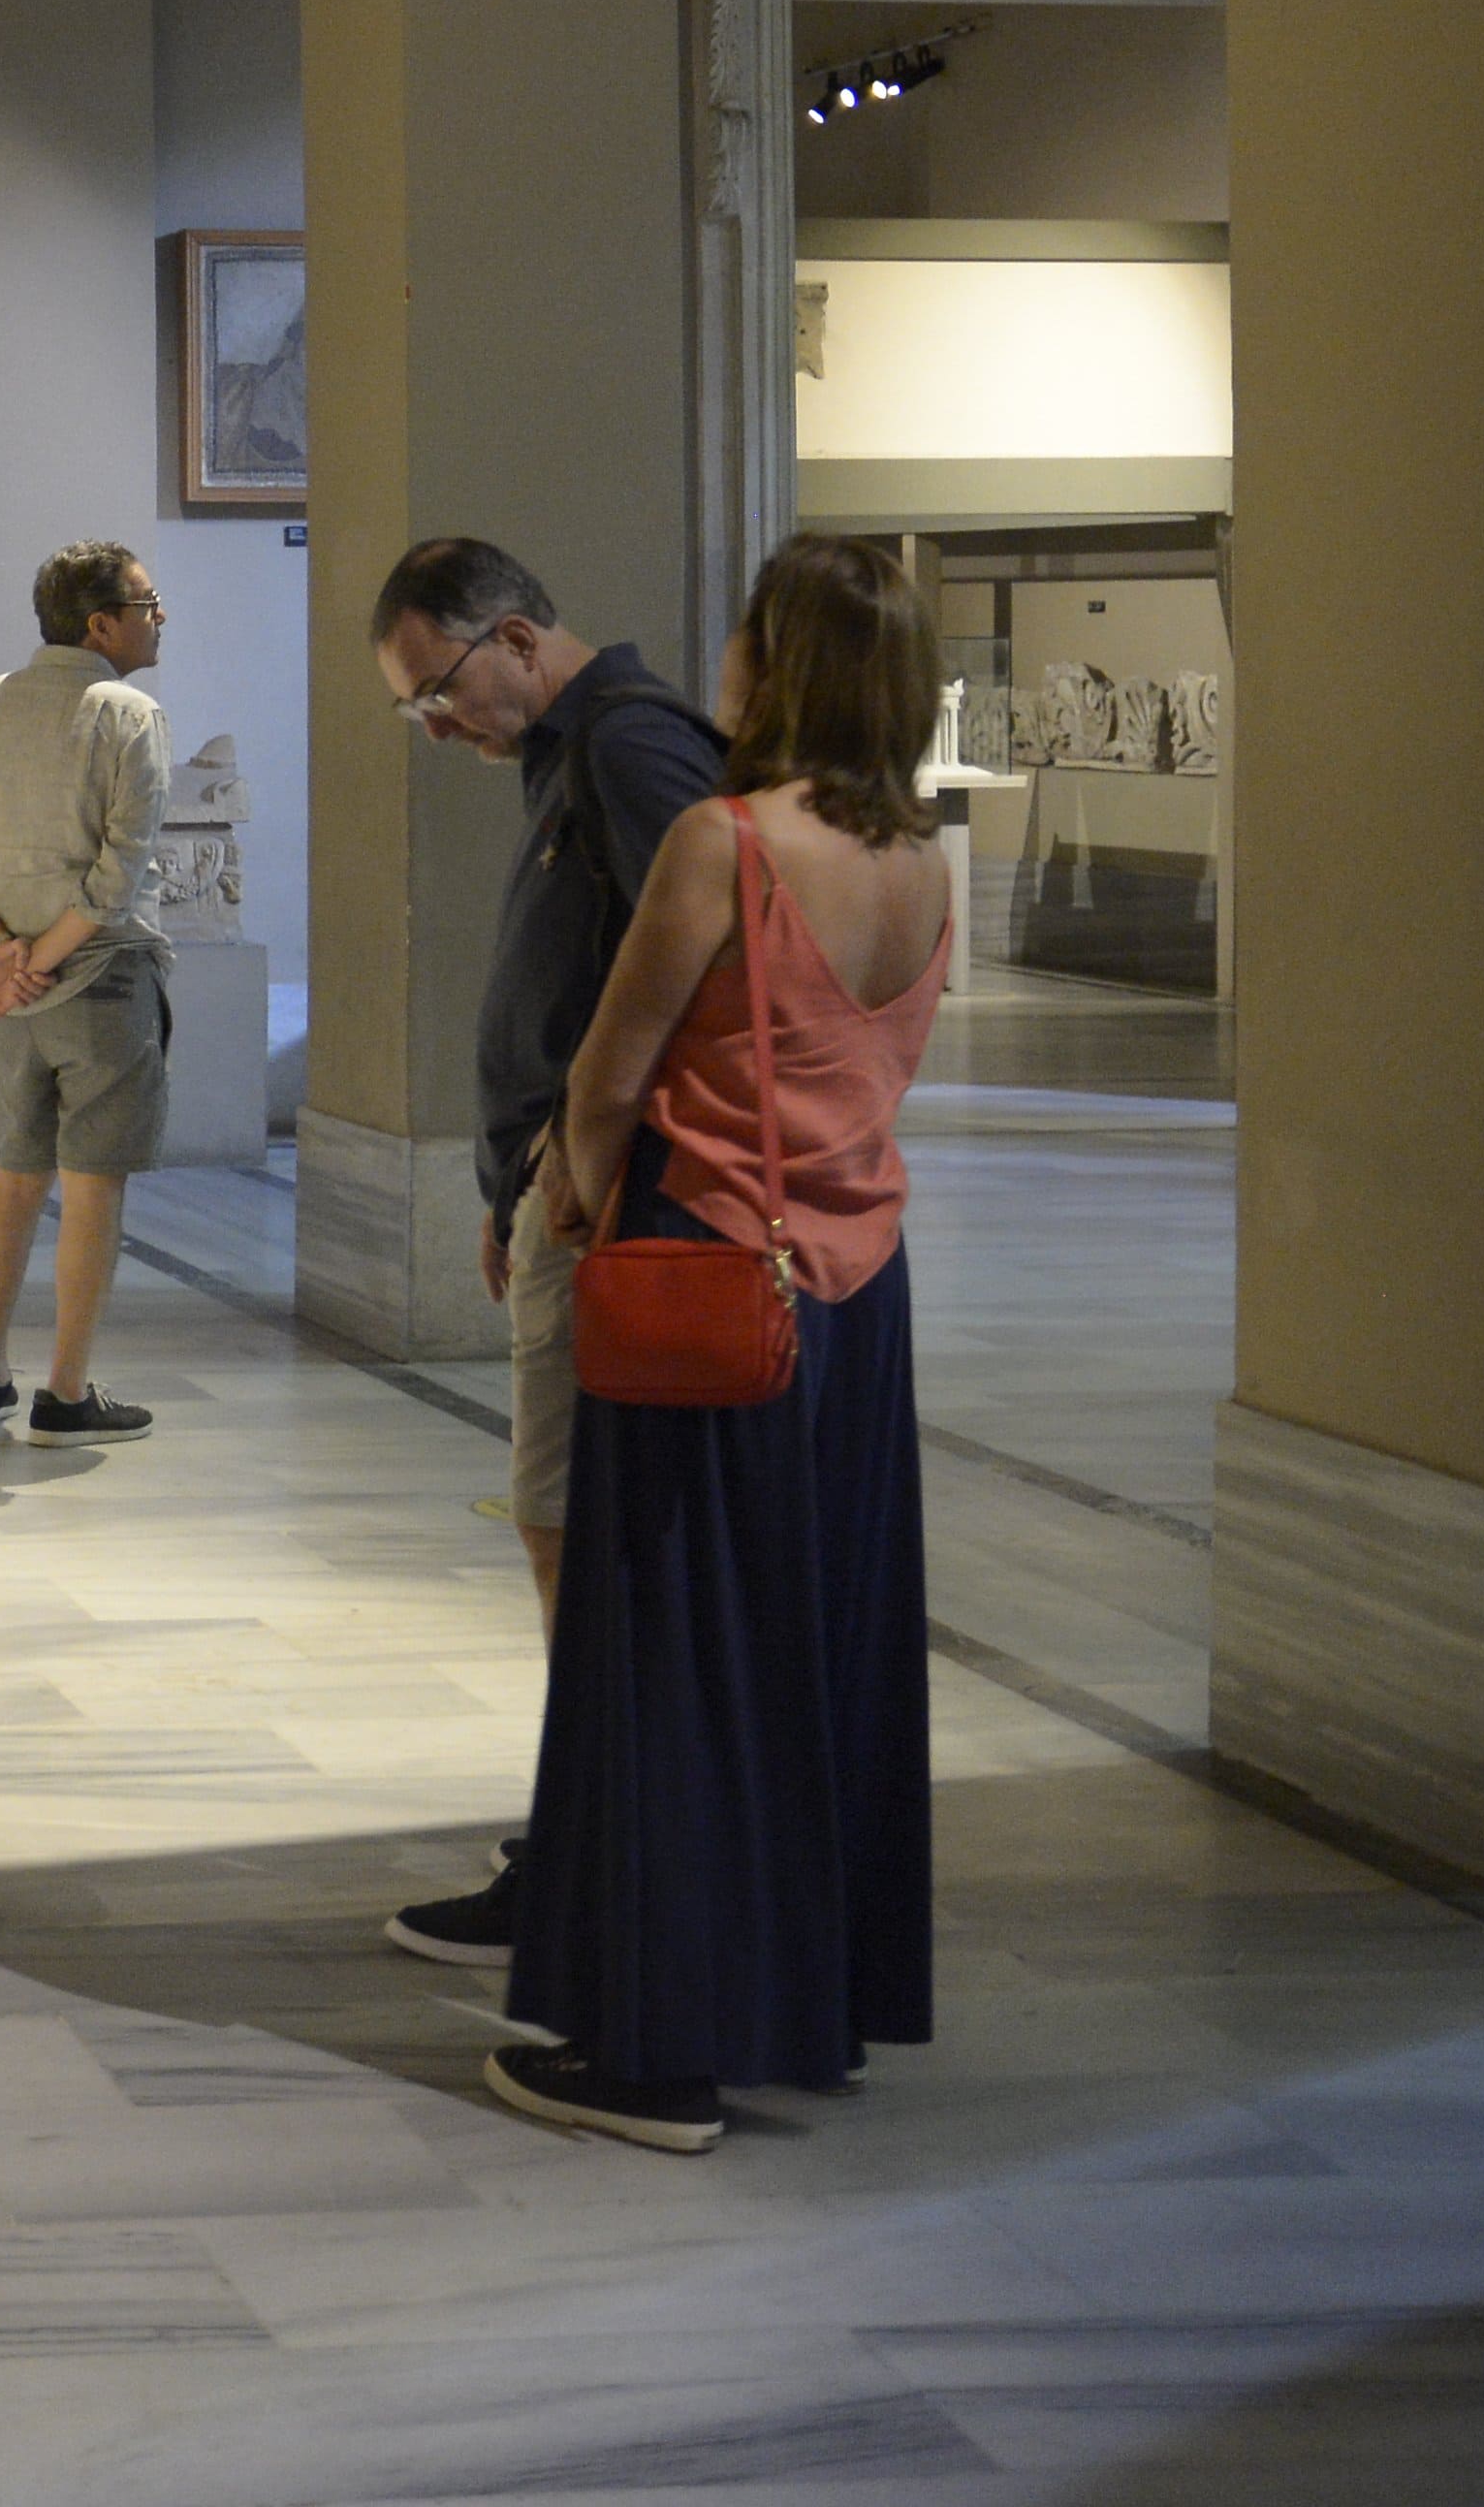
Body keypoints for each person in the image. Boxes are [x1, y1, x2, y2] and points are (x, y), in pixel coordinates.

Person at [489, 533, 952, 2153]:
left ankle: (657, 2051)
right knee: (819, 1650)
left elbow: (610, 1074)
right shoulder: (922, 863)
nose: (728, 659)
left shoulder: (725, 840)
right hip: (857, 1294)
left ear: (784, 661)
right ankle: (808, 2001)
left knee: (673, 1655)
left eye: (750, 633)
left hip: (710, 1270)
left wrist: (567, 1199)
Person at [366, 537, 727, 1974]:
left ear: (515, 637)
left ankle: (598, 1844)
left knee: (569, 1522)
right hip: (558, 1185)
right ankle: (591, 1819)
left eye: (435, 690)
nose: (433, 725)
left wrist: (581, 1152)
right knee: (554, 1521)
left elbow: (703, 977)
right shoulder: (568, 754)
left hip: (607, 1203)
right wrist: (518, 1164)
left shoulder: (631, 749)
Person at [0, 543, 174, 1442]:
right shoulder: (129, 714)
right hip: (101, 981)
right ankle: (65, 1393)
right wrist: (38, 960)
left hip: (10, 999)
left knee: (15, 1177)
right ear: (100, 624)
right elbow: (115, 880)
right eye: (146, 604)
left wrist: (0, 957)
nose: (159, 617)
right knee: (93, 1186)